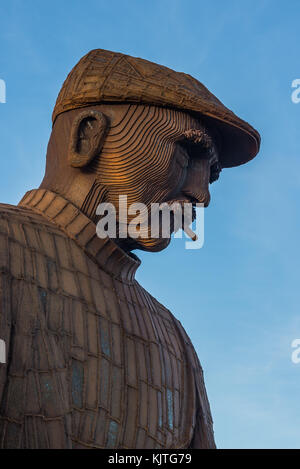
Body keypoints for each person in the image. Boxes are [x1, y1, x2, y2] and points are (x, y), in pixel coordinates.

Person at [0, 49, 260, 449]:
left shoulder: (176, 342)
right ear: (88, 136)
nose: (201, 194)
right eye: (186, 153)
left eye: (211, 175)